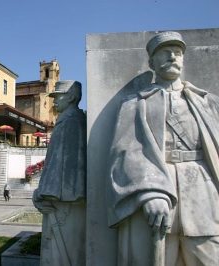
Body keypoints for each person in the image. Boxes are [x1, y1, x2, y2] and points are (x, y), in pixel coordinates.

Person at [108, 31, 219, 265]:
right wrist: (150, 193)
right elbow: (126, 151)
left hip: (202, 190)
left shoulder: (207, 101)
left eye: (177, 53)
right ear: (151, 62)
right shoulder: (135, 103)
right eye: (165, 53)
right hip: (159, 187)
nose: (172, 57)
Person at [33, 80, 86, 266]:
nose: (54, 101)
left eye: (58, 96)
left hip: (63, 201)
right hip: (62, 199)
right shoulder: (69, 120)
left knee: (60, 253)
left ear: (71, 97)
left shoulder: (70, 122)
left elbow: (63, 164)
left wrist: (45, 193)